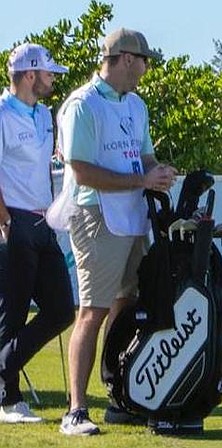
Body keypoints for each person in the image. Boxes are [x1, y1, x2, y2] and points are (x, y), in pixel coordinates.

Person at [57, 28, 176, 436]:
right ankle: (75, 410)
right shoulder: (82, 105)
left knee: (125, 304)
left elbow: (142, 155)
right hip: (95, 217)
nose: (146, 68)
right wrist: (141, 182)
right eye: (144, 60)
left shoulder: (135, 104)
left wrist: (156, 173)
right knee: (92, 310)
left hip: (131, 216)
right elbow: (82, 171)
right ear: (127, 58)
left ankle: (117, 397)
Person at [0, 43, 75, 423]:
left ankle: (2, 367)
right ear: (30, 75)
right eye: (48, 73)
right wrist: (4, 222)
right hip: (13, 222)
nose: (52, 79)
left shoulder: (45, 113)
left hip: (44, 222)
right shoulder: (0, 113)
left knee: (62, 309)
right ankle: (8, 400)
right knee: (11, 314)